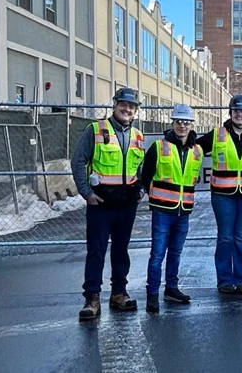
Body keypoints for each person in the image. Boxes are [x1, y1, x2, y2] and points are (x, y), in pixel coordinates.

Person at [72, 87, 146, 321]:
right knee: (96, 250)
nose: (127, 109)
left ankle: (119, 293)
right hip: (101, 203)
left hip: (127, 204)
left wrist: (141, 189)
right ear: (115, 105)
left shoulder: (138, 136)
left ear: (136, 111)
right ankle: (92, 297)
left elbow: (142, 168)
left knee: (121, 250)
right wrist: (86, 193)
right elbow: (78, 161)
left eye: (132, 106)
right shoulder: (95, 130)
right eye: (123, 105)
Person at [197, 95, 242, 295]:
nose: (239, 114)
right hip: (222, 194)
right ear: (230, 113)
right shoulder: (217, 134)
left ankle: (241, 280)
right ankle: (225, 280)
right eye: (236, 111)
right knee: (225, 237)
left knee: (241, 238)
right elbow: (194, 150)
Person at [140, 104, 204, 313]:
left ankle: (171, 288)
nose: (182, 126)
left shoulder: (197, 151)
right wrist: (156, 197)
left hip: (183, 211)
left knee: (175, 252)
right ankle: (152, 295)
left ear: (191, 125)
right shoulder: (159, 147)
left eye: (186, 123)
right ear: (172, 123)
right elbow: (146, 176)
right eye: (179, 122)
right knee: (157, 254)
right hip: (162, 210)